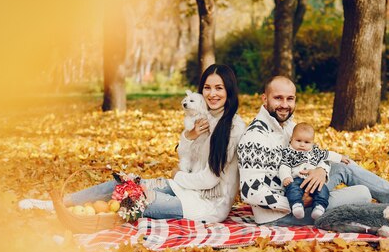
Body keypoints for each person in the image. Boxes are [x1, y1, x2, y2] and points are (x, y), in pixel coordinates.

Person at [19, 64, 246, 223]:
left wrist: (177, 177)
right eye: (207, 87)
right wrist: (190, 136)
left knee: (130, 199)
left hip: (206, 204)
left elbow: (209, 179)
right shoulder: (204, 118)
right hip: (185, 188)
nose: (212, 94)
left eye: (219, 88)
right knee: (120, 184)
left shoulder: (233, 127)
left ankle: (80, 215)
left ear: (229, 90)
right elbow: (185, 155)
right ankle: (54, 204)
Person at [237, 75, 389, 226]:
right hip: (282, 213)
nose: (284, 104)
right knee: (362, 194)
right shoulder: (254, 137)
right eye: (278, 98)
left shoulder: (289, 126)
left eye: (289, 99)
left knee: (343, 165)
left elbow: (316, 153)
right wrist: (296, 202)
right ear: (264, 99)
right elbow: (250, 191)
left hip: (304, 188)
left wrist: (321, 171)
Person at [279, 122, 350, 220]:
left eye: (306, 142)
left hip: (313, 180)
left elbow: (327, 154)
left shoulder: (315, 152)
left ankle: (319, 207)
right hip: (296, 180)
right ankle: (296, 205)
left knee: (322, 190)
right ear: (291, 139)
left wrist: (340, 157)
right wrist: (286, 177)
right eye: (298, 140)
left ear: (312, 143)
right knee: (292, 190)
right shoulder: (289, 152)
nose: (302, 145)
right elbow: (284, 166)